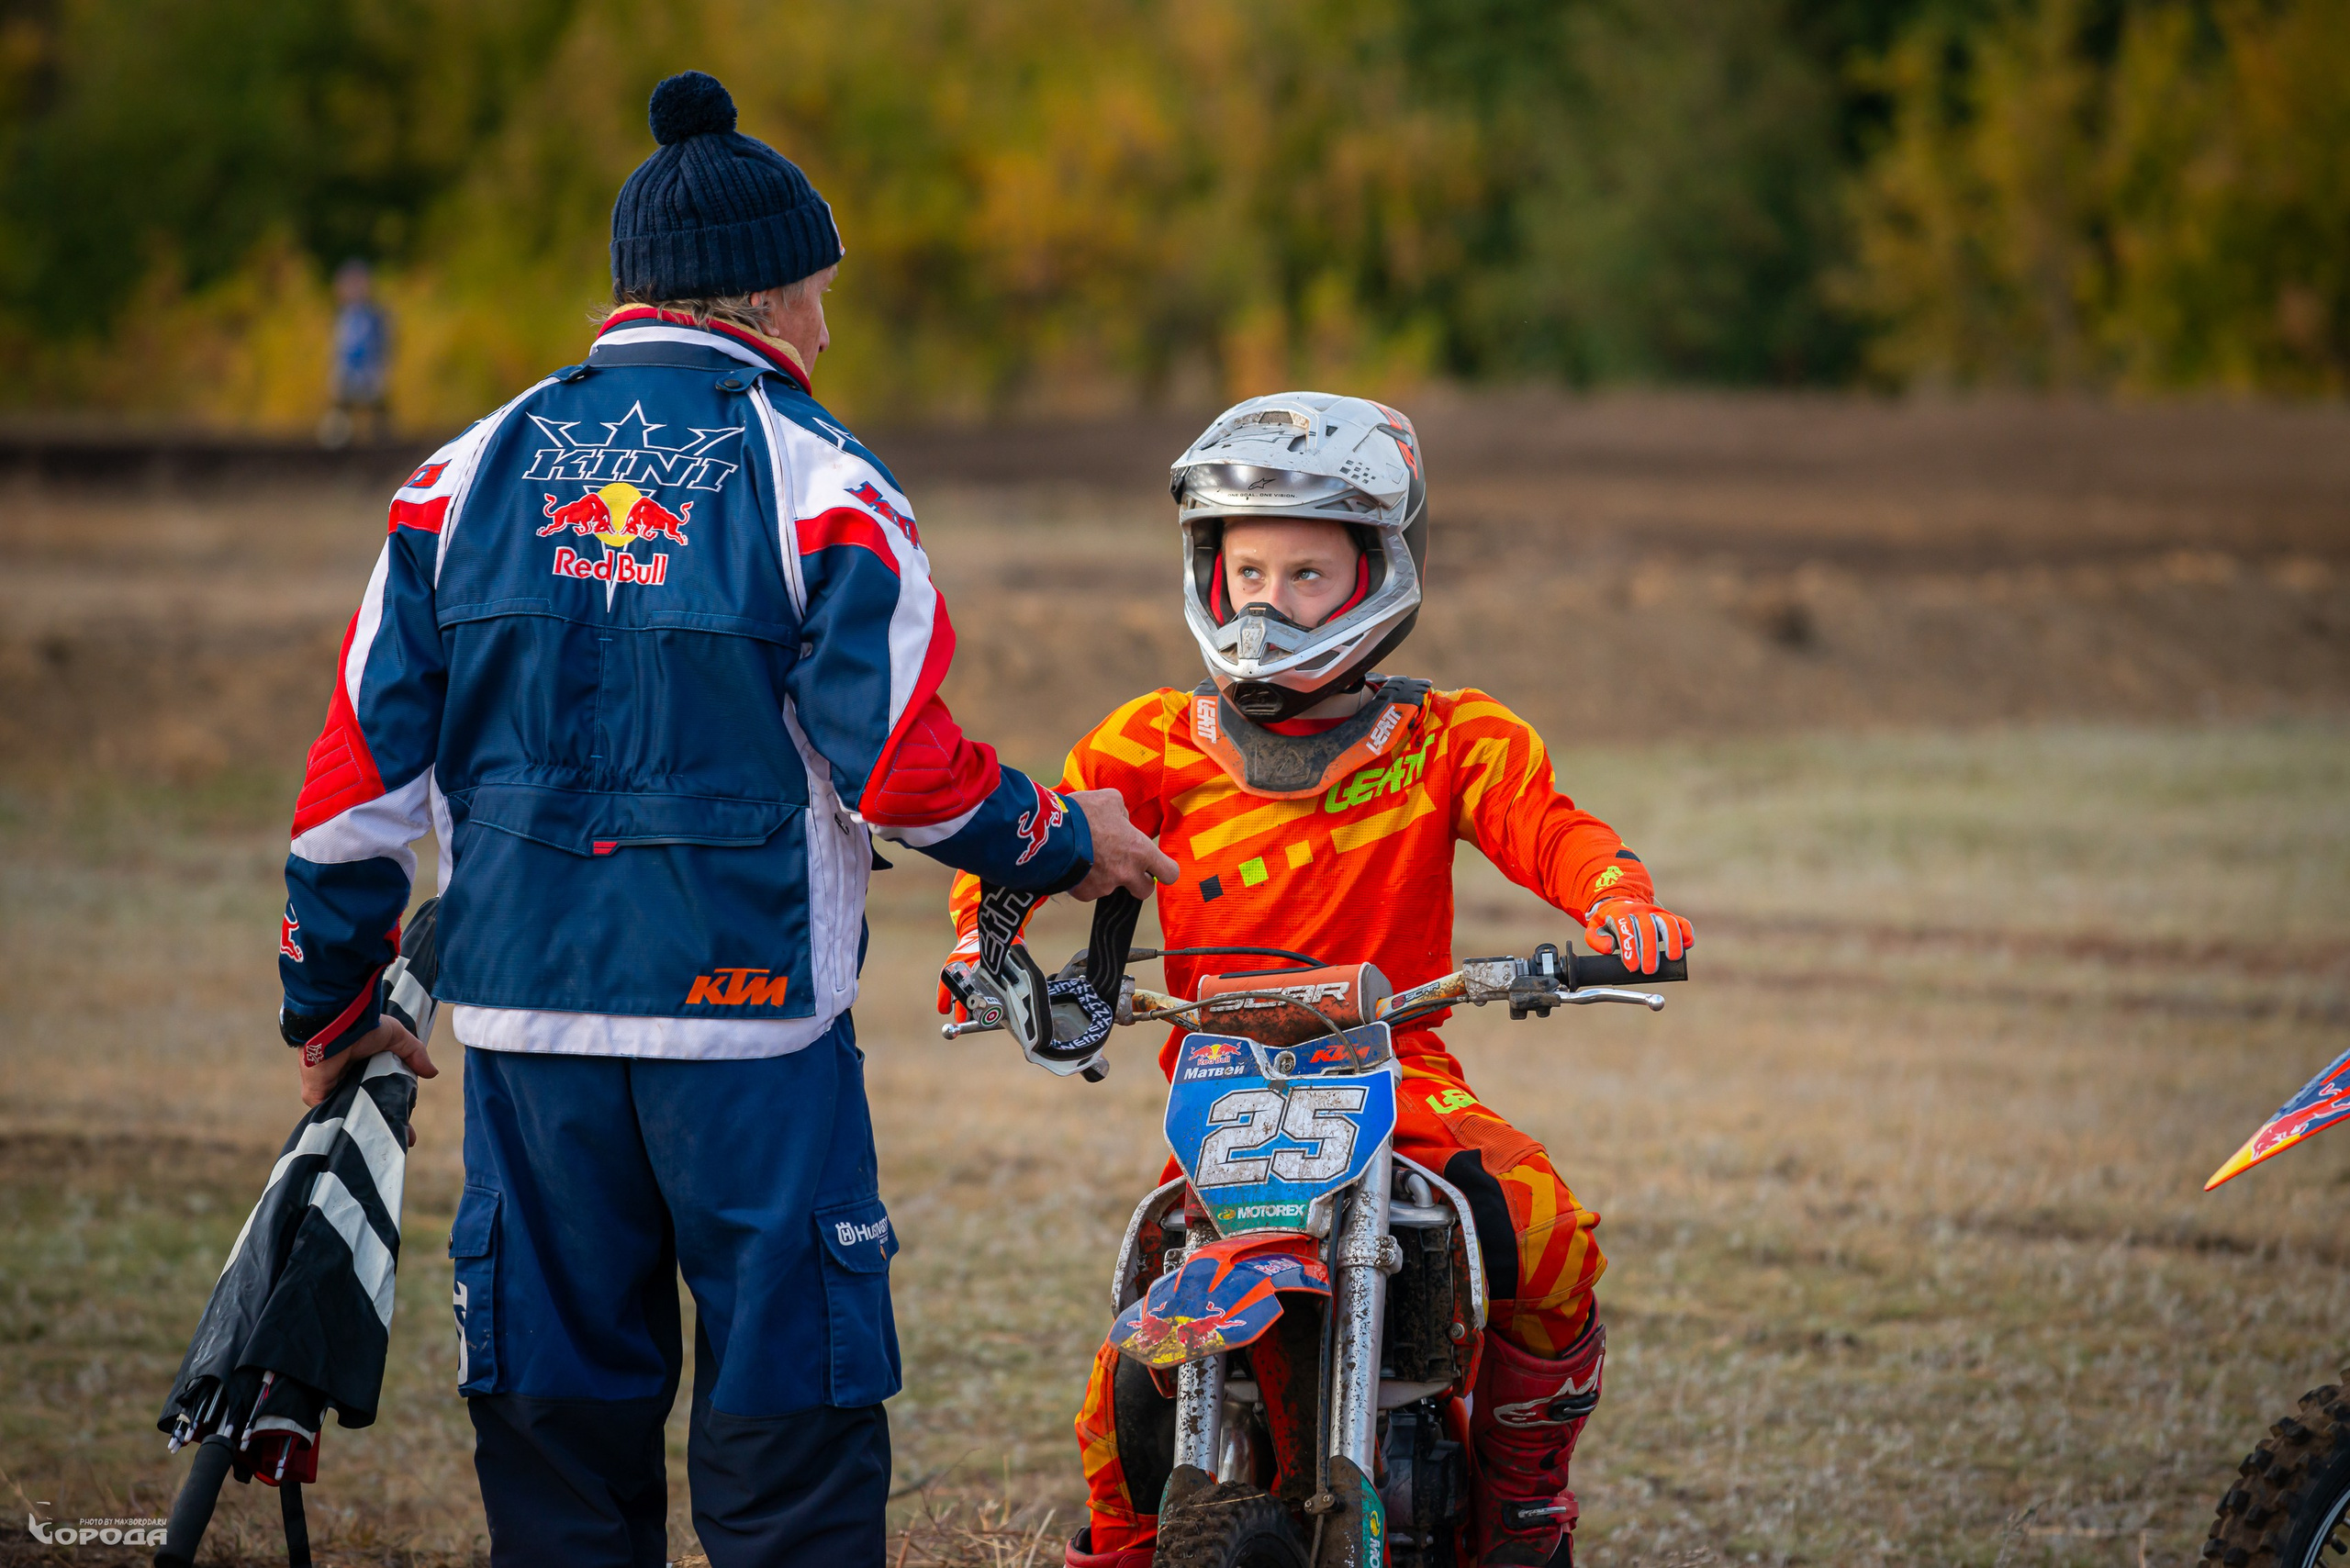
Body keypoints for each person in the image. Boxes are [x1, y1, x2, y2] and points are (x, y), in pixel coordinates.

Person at [274, 71, 1173, 1568]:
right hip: (752, 1046)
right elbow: (898, 765)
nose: (825, 331)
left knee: (558, 1459)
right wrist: (1066, 840)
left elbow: (350, 800)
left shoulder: (454, 480)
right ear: (758, 296)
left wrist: (332, 1009)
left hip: (521, 1038)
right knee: (791, 1468)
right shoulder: (825, 484)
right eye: (818, 296)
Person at [937, 393, 1694, 1568]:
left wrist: (1619, 903)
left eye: (1304, 575)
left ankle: (1525, 1500)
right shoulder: (1146, 743)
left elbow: (1549, 828)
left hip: (1400, 1076)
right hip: (1223, 1097)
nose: (1265, 602)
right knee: (1115, 1383)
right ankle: (1124, 1547)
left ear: (1379, 571)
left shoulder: (1451, 738)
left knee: (1542, 1233)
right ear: (1204, 567)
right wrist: (978, 950)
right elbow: (1026, 843)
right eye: (1245, 570)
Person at [321, 259, 390, 447]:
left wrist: (380, 371)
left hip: (369, 371)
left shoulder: (374, 315)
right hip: (348, 373)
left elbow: (382, 345)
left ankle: (382, 442)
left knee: (378, 408)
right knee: (341, 409)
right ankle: (337, 442)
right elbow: (339, 349)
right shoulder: (344, 316)